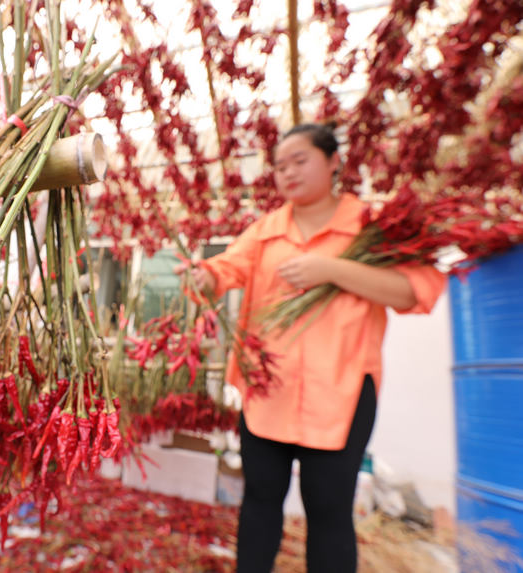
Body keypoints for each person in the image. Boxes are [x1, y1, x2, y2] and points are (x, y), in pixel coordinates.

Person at [175, 123, 447, 572]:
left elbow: (413, 292)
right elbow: (222, 270)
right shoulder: (267, 231)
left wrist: (331, 270)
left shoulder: (369, 228)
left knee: (329, 510)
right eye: (280, 166)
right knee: (260, 499)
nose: (288, 172)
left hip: (340, 393)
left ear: (333, 161)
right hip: (269, 389)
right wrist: (203, 279)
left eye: (299, 160)